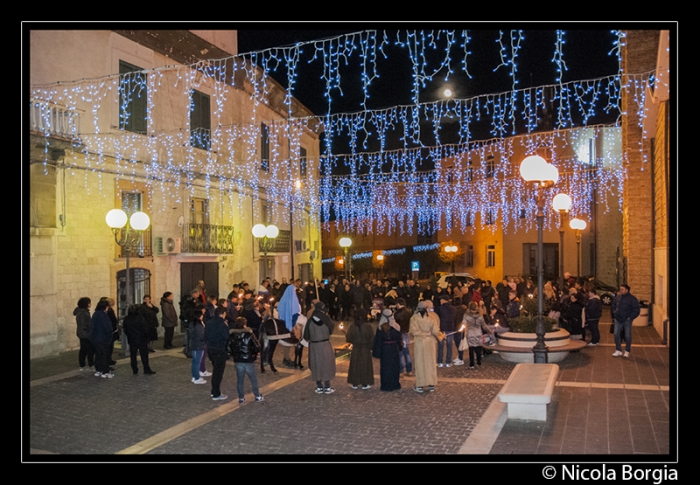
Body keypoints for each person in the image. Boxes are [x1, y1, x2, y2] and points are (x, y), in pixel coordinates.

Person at [409, 300, 443, 393]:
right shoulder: (431, 318)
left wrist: (422, 334)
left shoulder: (414, 318)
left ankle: (420, 385)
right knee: (430, 362)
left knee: (420, 363)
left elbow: (414, 331)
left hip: (420, 342)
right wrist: (441, 336)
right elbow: (436, 330)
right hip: (430, 342)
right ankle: (431, 384)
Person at [303, 302, 336, 394]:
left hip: (314, 345)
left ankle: (319, 386)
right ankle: (327, 386)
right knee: (326, 364)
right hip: (325, 344)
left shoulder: (310, 321)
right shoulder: (326, 319)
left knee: (316, 364)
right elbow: (331, 329)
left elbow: (306, 335)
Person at [229, 316, 264, 404]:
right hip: (248, 359)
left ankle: (241, 397)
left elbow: (228, 347)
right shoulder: (249, 334)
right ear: (245, 324)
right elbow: (257, 346)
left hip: (238, 360)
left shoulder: (232, 335)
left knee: (240, 379)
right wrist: (254, 353)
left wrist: (234, 354)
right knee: (253, 379)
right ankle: (257, 395)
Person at [205, 305, 232, 400]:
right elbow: (226, 336)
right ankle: (216, 393)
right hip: (220, 349)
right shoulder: (222, 324)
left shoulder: (209, 322)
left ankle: (214, 391)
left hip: (211, 348)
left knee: (215, 370)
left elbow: (206, 334)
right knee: (218, 373)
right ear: (223, 314)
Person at [344, 310, 375, 390]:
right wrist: (370, 347)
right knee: (365, 366)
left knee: (355, 366)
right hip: (365, 349)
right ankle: (365, 383)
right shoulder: (368, 326)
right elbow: (372, 339)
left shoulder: (352, 326)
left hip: (356, 348)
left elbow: (348, 338)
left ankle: (355, 383)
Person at [373, 310, 403, 391]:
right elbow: (399, 339)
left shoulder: (380, 327)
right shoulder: (396, 326)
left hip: (385, 350)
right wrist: (400, 347)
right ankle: (395, 384)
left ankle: (385, 385)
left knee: (385, 368)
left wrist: (377, 352)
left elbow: (378, 341)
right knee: (394, 367)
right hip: (394, 349)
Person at [122, 304, 156, 375]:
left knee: (133, 355)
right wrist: (146, 336)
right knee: (144, 355)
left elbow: (125, 329)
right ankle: (146, 369)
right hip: (141, 339)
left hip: (132, 339)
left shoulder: (127, 319)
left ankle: (134, 369)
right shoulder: (140, 318)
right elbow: (145, 328)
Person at [612, 284, 640, 358]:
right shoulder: (617, 298)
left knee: (627, 335)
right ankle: (618, 350)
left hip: (627, 319)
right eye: (620, 289)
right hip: (618, 319)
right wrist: (615, 313)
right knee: (616, 334)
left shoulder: (632, 299)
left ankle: (627, 351)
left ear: (627, 290)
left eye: (622, 289)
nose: (621, 290)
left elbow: (636, 310)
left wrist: (630, 317)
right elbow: (614, 305)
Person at [463, 301, 493, 369]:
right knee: (478, 348)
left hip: (470, 333)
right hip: (478, 333)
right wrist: (489, 331)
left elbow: (464, 324)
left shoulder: (466, 315)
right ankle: (479, 362)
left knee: (471, 349)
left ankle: (472, 364)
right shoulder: (480, 315)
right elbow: (484, 325)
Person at [89, 299, 115, 378]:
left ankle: (99, 370)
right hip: (103, 338)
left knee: (98, 355)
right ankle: (105, 372)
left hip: (95, 338)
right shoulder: (103, 315)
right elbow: (107, 328)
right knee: (104, 355)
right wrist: (112, 332)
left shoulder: (95, 314)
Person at [393, 298, 414, 377]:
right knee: (406, 352)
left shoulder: (397, 314)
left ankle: (401, 371)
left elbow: (394, 324)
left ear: (398, 304)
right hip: (406, 333)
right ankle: (409, 370)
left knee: (399, 353)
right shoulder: (409, 312)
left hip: (399, 334)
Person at [74, 297, 94, 371]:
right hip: (85, 333)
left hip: (83, 332)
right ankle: (88, 364)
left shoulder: (83, 312)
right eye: (89, 303)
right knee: (87, 349)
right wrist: (89, 330)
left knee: (84, 349)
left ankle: (84, 364)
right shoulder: (82, 313)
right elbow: (84, 324)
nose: (90, 304)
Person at [189, 305, 207, 384]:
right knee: (196, 362)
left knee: (196, 361)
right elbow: (201, 335)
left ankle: (195, 376)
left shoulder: (193, 324)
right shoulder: (198, 325)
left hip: (196, 344)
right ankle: (196, 377)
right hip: (198, 345)